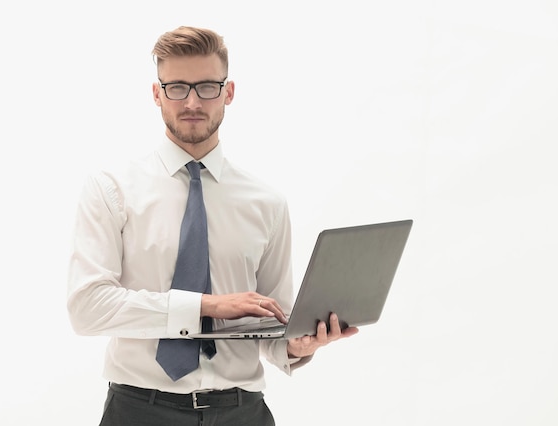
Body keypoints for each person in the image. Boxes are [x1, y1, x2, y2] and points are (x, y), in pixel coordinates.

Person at [67, 25, 358, 426]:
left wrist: (299, 346)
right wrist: (205, 306)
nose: (191, 101)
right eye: (176, 87)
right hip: (139, 411)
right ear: (157, 94)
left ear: (228, 92)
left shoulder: (266, 202)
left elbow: (272, 325)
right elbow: (87, 308)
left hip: (242, 412)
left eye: (206, 87)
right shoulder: (112, 188)